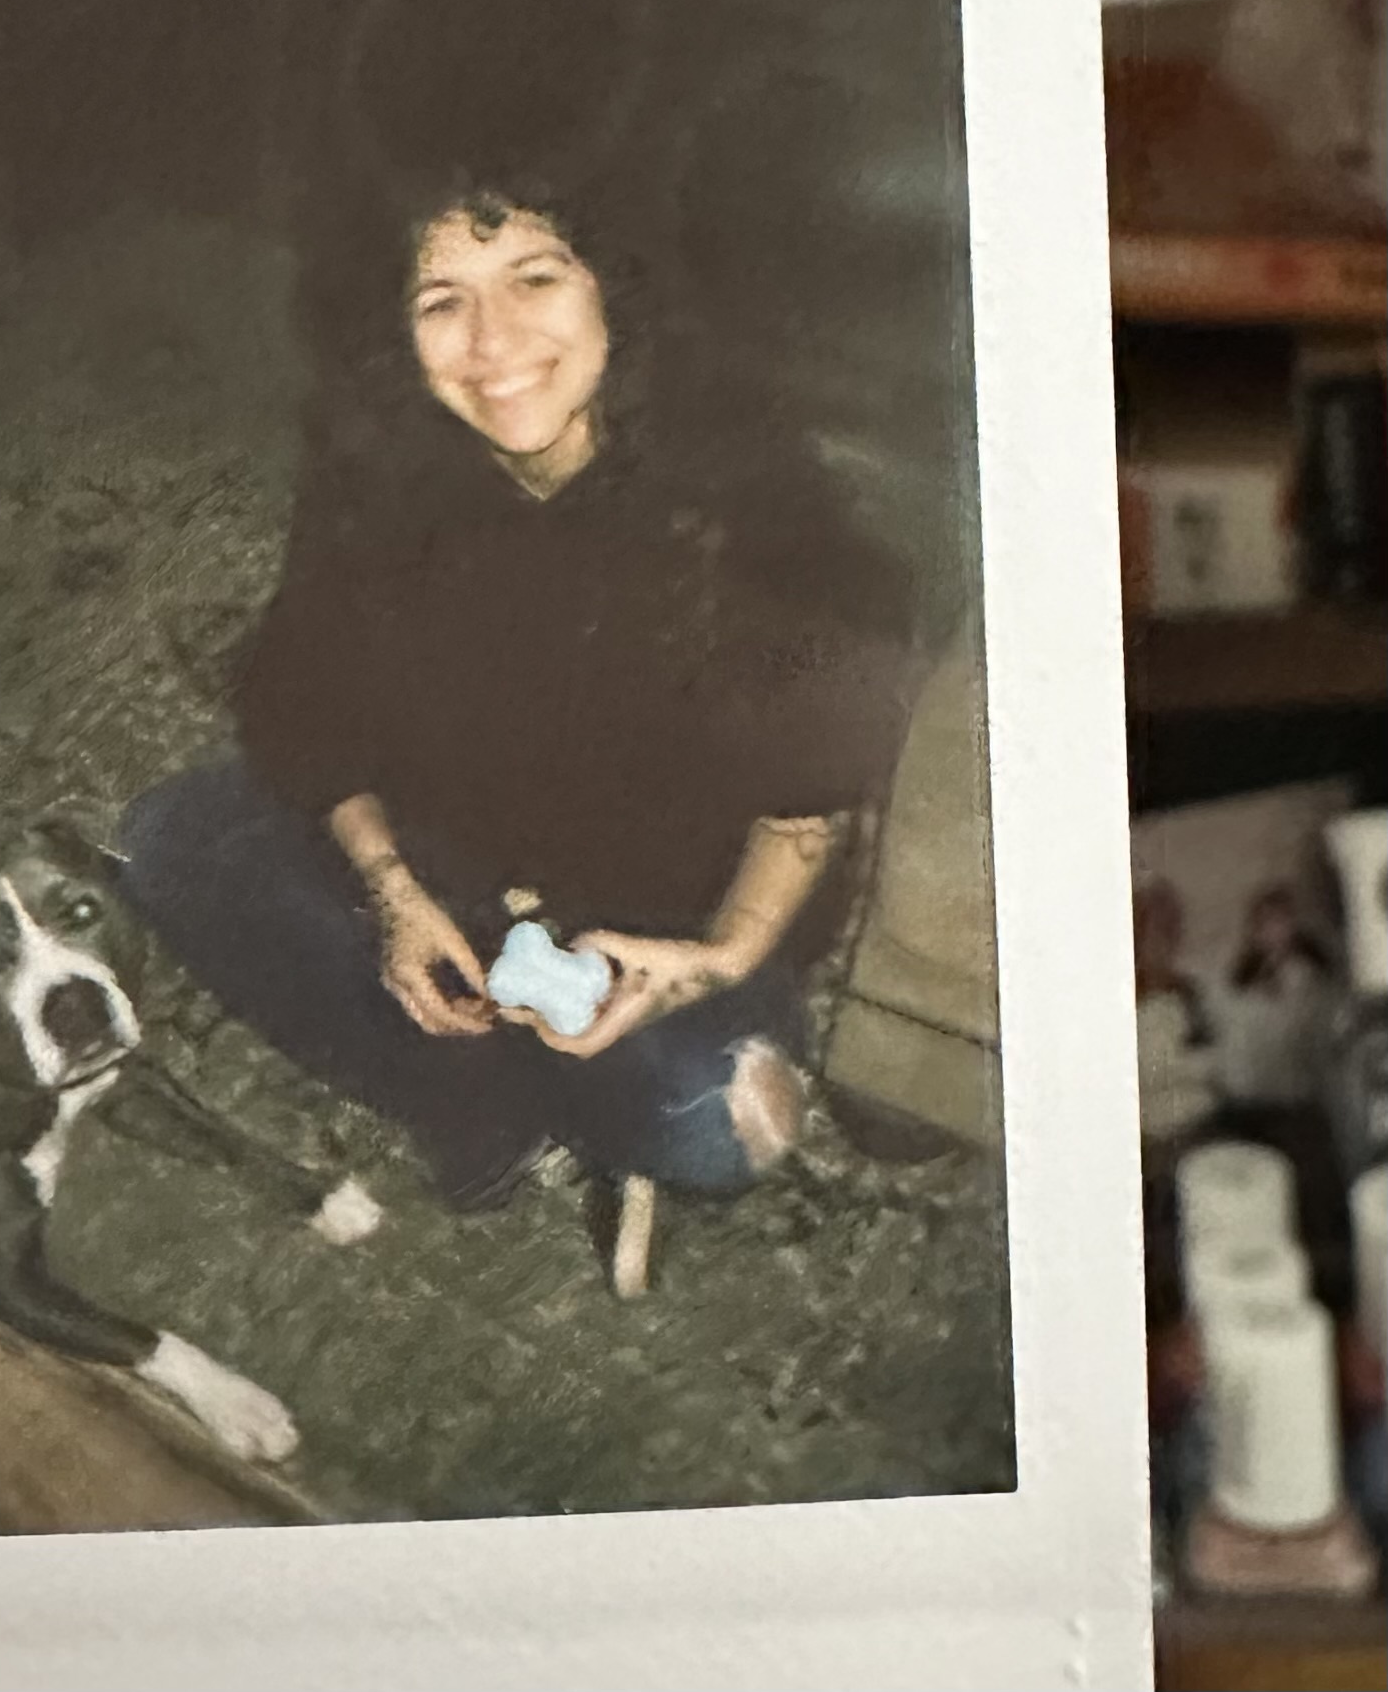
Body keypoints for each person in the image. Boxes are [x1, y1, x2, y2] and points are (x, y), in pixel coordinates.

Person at [121, 176, 914, 1209]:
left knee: (716, 1127)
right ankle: (480, 1093)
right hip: (451, 847)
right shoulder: (380, 467)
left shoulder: (746, 487)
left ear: (612, 288)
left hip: (664, 908)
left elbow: (809, 788)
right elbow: (310, 703)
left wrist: (714, 959)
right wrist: (392, 892)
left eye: (533, 278)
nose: (491, 340)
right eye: (440, 299)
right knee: (168, 838)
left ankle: (508, 1069)